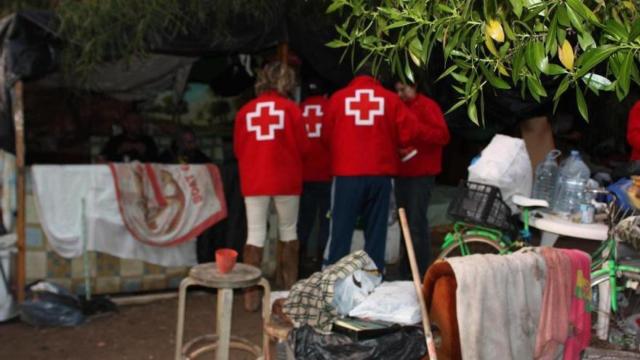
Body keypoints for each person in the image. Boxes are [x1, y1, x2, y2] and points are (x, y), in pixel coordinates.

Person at [322, 69, 428, 271]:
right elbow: (409, 132)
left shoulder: (338, 98)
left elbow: (326, 136)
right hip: (380, 174)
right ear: (378, 77)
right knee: (376, 231)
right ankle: (375, 276)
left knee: (340, 230)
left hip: (346, 175)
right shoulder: (390, 99)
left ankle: (333, 280)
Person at [234, 62, 307, 311]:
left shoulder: (245, 111)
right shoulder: (291, 109)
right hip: (285, 179)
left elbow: (238, 149)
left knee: (254, 235)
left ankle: (250, 297)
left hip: (254, 180)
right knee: (288, 231)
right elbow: (303, 147)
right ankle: (289, 293)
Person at [394, 81, 450, 278]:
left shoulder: (428, 106)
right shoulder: (398, 106)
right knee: (405, 224)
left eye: (404, 89)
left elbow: (443, 136)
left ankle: (420, 271)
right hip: (401, 173)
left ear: (415, 86)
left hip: (421, 175)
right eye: (397, 90)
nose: (400, 94)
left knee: (417, 223)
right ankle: (406, 270)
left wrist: (416, 129)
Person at [297, 81, 331, 274]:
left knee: (303, 222)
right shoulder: (330, 107)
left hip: (304, 176)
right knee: (326, 222)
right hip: (326, 174)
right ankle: (321, 265)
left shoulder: (299, 109)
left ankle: (299, 266)